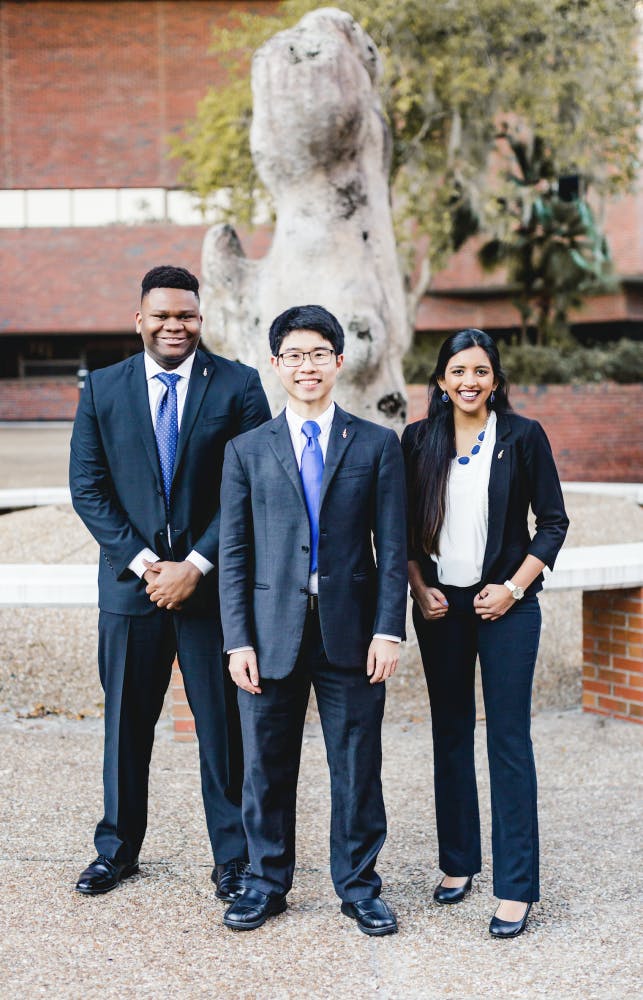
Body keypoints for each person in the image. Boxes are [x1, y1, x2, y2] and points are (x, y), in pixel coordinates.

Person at [69, 265, 271, 900]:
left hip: (213, 592)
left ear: (200, 319)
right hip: (131, 591)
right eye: (160, 315)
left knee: (224, 732)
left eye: (184, 315)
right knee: (127, 726)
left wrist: (196, 566)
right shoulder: (102, 389)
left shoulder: (238, 385)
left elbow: (251, 489)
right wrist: (146, 564)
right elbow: (89, 488)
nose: (173, 326)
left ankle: (233, 860)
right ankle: (117, 849)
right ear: (139, 320)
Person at [218, 305, 408, 935]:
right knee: (265, 766)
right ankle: (266, 883)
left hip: (352, 634)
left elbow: (392, 547)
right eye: (294, 356)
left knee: (357, 765)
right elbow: (235, 553)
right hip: (270, 633)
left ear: (338, 360)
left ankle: (359, 886)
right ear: (276, 365)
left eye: (318, 354)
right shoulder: (246, 450)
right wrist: (236, 639)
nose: (307, 366)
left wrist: (389, 628)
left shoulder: (377, 444)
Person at [402, 329, 568, 939]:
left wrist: (514, 588)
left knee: (508, 739)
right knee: (450, 734)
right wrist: (419, 588)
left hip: (508, 604)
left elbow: (552, 522)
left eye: (481, 371)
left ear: (495, 379)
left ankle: (517, 889)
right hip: (441, 606)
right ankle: (457, 862)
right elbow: (400, 532)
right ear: (441, 379)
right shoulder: (417, 440)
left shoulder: (523, 437)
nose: (469, 381)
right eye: (457, 370)